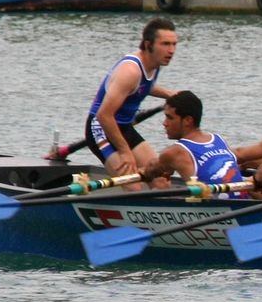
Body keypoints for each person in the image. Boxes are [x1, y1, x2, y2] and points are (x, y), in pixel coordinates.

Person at [85, 17, 179, 176]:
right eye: (165, 44)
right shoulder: (130, 71)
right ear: (148, 45)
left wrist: (169, 94)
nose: (171, 50)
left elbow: (141, 86)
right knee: (132, 184)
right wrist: (125, 152)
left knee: (160, 176)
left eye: (174, 44)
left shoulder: (154, 62)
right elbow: (104, 115)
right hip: (101, 127)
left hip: (124, 127)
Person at [141, 90, 244, 188]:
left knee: (157, 188)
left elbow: (151, 170)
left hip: (210, 200)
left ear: (188, 120)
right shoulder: (218, 140)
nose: (165, 123)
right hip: (240, 196)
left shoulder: (174, 152)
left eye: (170, 117)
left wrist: (143, 171)